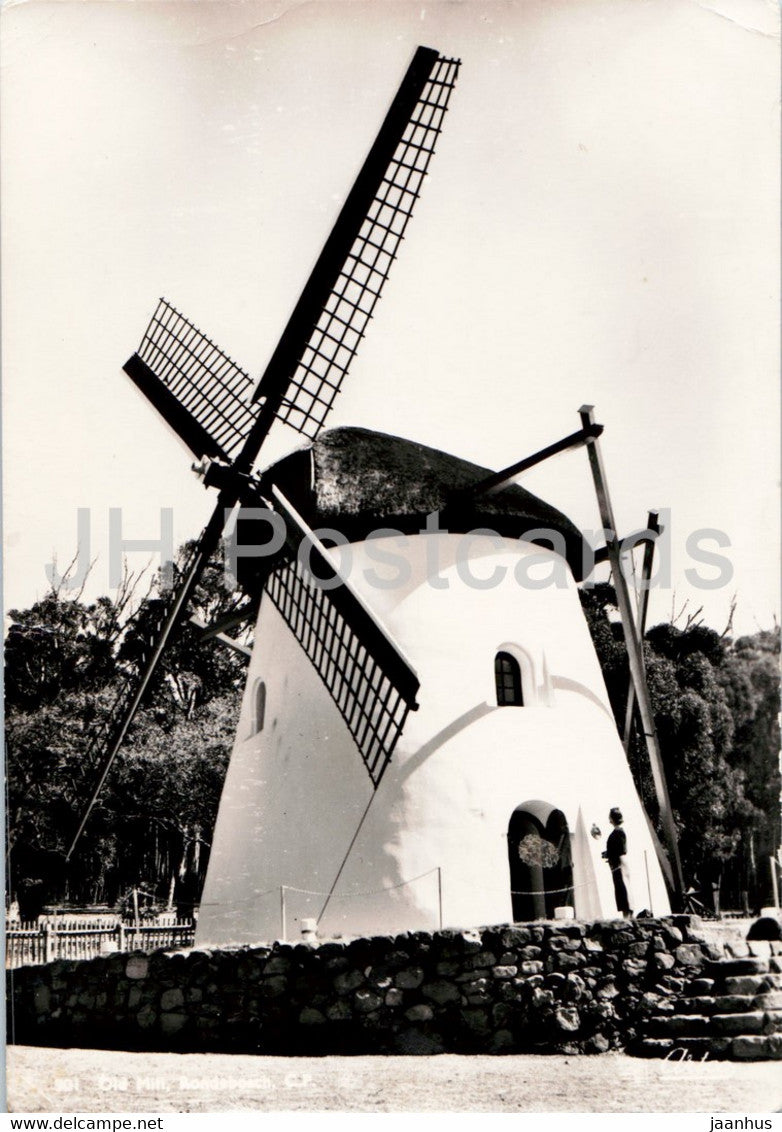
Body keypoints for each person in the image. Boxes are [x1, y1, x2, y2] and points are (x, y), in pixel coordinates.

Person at [602, 807, 633, 918]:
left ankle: (627, 915)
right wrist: (608, 854)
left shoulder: (619, 832)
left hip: (619, 864)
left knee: (623, 889)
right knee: (620, 890)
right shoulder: (616, 832)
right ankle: (626, 914)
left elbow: (622, 850)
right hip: (616, 864)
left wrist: (610, 854)